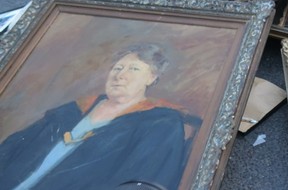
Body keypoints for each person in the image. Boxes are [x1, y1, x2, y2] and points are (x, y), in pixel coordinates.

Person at [0, 44, 186, 190]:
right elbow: (15, 145)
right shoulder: (72, 110)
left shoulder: (161, 123)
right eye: (117, 68)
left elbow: (144, 181)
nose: (120, 75)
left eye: (134, 69)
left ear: (152, 78)